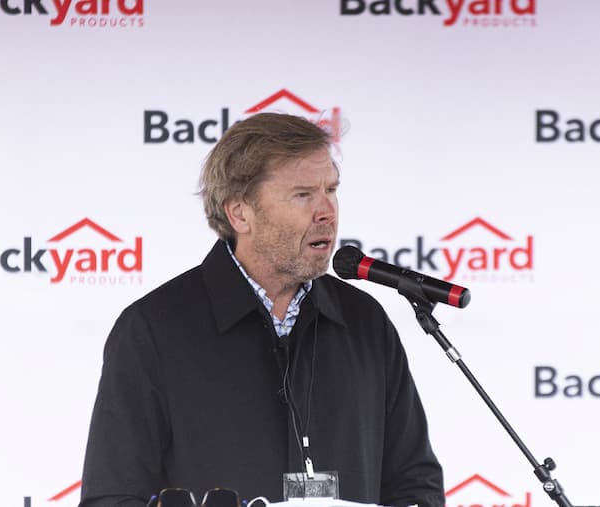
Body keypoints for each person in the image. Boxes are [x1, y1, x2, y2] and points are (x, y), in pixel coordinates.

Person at [78, 112, 445, 507]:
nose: (327, 211)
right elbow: (111, 498)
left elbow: (415, 485)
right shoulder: (153, 329)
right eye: (303, 195)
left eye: (331, 190)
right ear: (240, 213)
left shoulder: (364, 321)